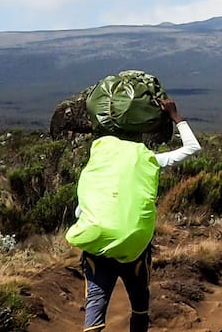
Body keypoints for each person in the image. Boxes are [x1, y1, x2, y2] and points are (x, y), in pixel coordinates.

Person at [71, 97, 199, 332]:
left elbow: (80, 209)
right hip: (135, 250)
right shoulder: (148, 159)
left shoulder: (96, 165)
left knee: (95, 307)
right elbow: (192, 148)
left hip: (96, 249)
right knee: (140, 305)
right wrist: (175, 116)